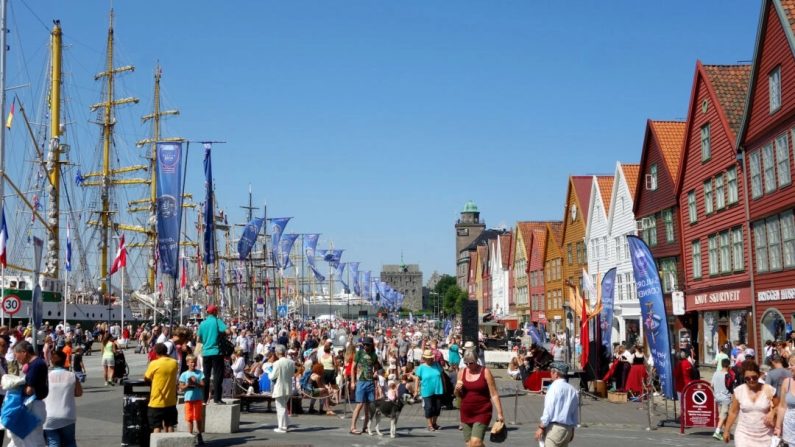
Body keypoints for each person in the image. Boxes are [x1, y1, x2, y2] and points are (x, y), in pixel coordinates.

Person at [454, 350, 505, 447]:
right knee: (470, 444)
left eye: (471, 363)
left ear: (476, 360)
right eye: (466, 363)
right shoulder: (461, 372)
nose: (468, 365)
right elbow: (457, 395)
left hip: (482, 411)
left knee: (475, 442)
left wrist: (500, 413)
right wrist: (457, 389)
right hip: (466, 412)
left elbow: (494, 394)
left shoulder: (485, 372)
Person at [723, 360, 777, 445]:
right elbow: (733, 412)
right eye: (747, 378)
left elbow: (780, 407)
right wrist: (726, 430)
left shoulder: (769, 390)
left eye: (754, 377)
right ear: (743, 378)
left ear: (759, 375)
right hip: (743, 434)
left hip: (765, 435)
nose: (751, 380)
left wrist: (773, 412)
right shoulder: (739, 391)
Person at [12, 341, 49, 447]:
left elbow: (29, 390)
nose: (16, 358)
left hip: (34, 405)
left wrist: (14, 387)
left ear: (24, 352)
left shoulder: (35, 365)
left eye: (16, 355)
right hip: (35, 405)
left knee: (32, 440)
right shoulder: (38, 363)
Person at [43, 349, 83, 447]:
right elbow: (79, 393)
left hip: (49, 415)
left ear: (52, 361)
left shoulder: (46, 376)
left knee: (53, 442)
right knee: (70, 442)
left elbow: (41, 393)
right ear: (65, 360)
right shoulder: (72, 376)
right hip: (67, 414)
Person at [535, 361, 579, 447]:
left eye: (551, 371)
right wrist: (572, 429)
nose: (550, 374)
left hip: (555, 429)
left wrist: (541, 427)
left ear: (556, 374)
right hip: (568, 429)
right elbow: (574, 412)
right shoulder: (572, 389)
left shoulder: (553, 388)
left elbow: (549, 410)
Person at [197, 304, 229, 404]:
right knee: (217, 375)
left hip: (205, 353)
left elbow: (198, 339)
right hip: (216, 352)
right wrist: (221, 334)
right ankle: (217, 398)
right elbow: (228, 331)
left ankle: (204, 398)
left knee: (206, 375)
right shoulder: (217, 321)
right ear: (215, 312)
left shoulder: (202, 323)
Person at [144, 343, 179, 433]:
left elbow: (146, 377)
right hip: (171, 400)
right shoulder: (174, 363)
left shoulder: (154, 364)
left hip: (156, 401)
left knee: (157, 427)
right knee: (170, 425)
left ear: (156, 352)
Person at [350, 337, 381, 435]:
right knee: (359, 404)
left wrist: (375, 373)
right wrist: (352, 381)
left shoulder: (374, 355)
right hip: (361, 381)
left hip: (370, 382)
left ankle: (365, 426)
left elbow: (376, 368)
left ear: (371, 345)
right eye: (364, 344)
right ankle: (353, 427)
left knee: (369, 406)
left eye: (367, 344)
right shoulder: (359, 354)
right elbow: (353, 368)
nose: (365, 346)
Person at [414, 349, 445, 431]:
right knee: (429, 407)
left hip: (438, 389)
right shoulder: (421, 367)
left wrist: (445, 387)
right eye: (427, 358)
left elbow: (442, 376)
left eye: (430, 358)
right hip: (426, 390)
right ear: (424, 359)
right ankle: (429, 424)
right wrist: (415, 390)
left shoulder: (437, 365)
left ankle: (434, 423)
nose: (430, 359)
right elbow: (417, 379)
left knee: (437, 408)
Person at [178, 354, 206, 445]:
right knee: (189, 418)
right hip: (188, 399)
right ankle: (190, 435)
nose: (193, 364)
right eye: (191, 362)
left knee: (198, 418)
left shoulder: (199, 373)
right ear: (187, 363)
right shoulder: (184, 374)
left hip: (198, 398)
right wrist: (188, 385)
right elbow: (181, 387)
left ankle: (199, 434)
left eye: (194, 362)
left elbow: (203, 385)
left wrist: (195, 383)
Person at [269, 344, 295, 433]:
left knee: (281, 408)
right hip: (288, 387)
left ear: (277, 353)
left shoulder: (276, 363)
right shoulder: (291, 362)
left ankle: (282, 427)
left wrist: (268, 371)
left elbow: (272, 377)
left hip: (279, 387)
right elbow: (292, 374)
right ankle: (286, 424)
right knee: (283, 407)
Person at [775, 353, 795, 444]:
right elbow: (782, 406)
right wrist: (778, 427)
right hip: (790, 428)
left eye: (792, 365)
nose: (789, 367)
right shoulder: (787, 382)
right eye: (789, 365)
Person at [711, 358, 733, 440]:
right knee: (723, 415)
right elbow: (731, 387)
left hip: (717, 397)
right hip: (725, 398)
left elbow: (712, 385)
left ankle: (726, 432)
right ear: (728, 365)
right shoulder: (728, 375)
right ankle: (717, 432)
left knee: (723, 415)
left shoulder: (716, 373)